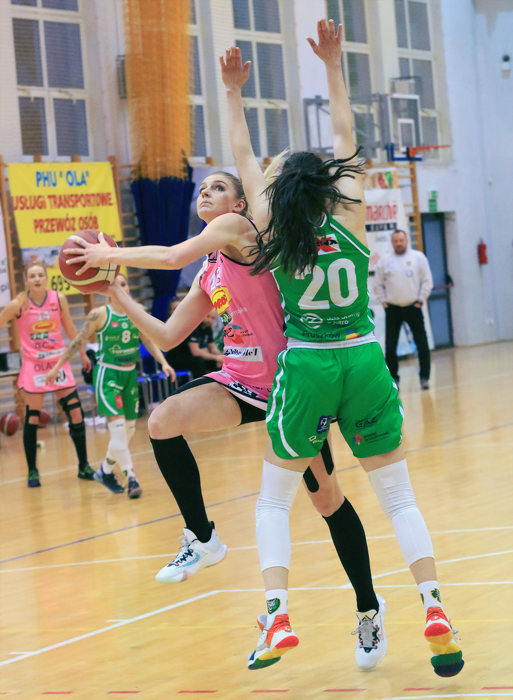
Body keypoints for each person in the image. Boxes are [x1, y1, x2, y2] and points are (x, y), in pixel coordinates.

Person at [63, 171, 388, 671]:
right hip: (239, 382)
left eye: (217, 187)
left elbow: (170, 257)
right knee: (162, 421)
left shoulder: (240, 231)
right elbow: (168, 336)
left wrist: (109, 254)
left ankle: (369, 608)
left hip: (291, 387)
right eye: (203, 188)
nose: (205, 193)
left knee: (327, 501)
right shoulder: (210, 269)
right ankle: (202, 538)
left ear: (239, 203)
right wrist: (116, 294)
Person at [219, 19, 463, 676]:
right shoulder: (351, 210)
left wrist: (234, 92)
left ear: (277, 190)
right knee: (399, 498)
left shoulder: (268, 224)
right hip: (362, 355)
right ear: (325, 184)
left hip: (307, 365)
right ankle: (432, 604)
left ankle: (277, 614)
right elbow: (345, 136)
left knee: (272, 500)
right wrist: (332, 65)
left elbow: (242, 156)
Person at [45, 273, 175, 499]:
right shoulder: (99, 314)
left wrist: (163, 363)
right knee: (118, 430)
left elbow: (147, 340)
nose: (121, 287)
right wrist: (57, 367)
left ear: (129, 288)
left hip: (130, 375)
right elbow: (77, 342)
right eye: (116, 284)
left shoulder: (137, 312)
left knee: (129, 430)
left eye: (124, 283)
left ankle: (105, 471)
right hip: (108, 375)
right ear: (108, 290)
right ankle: (131, 478)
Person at [0, 261, 95, 487]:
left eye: (40, 275)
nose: (37, 279)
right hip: (34, 366)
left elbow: (70, 329)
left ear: (46, 277)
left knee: (76, 413)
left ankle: (84, 466)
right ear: (26, 280)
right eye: (32, 276)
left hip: (58, 363)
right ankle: (32, 471)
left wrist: (82, 353)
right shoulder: (18, 304)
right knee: (32, 417)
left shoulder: (58, 299)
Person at [373, 229, 433, 389]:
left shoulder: (418, 258)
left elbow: (427, 280)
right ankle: (394, 379)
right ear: (392, 243)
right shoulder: (385, 261)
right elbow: (377, 284)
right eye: (396, 241)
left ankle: (425, 377)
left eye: (401, 240)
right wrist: (383, 301)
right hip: (393, 309)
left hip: (413, 306)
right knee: (390, 346)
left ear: (406, 241)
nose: (399, 243)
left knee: (422, 344)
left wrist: (421, 299)